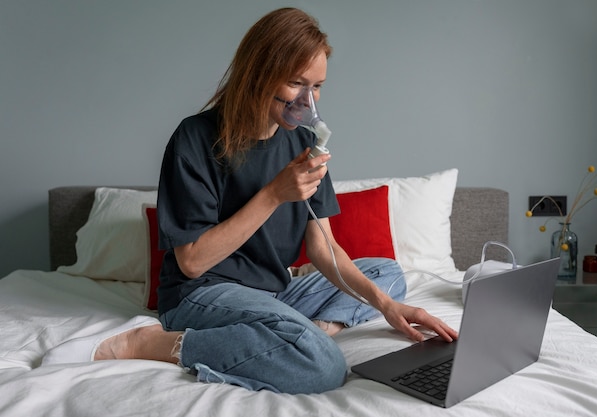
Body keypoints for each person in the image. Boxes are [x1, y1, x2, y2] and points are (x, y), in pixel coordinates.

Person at [42, 7, 458, 394]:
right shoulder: (196, 139)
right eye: (296, 83)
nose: (307, 101)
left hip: (274, 293)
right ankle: (147, 343)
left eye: (317, 87)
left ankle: (302, 328)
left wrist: (387, 307)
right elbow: (192, 261)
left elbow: (323, 248)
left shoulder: (303, 142)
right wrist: (275, 194)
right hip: (202, 293)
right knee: (325, 365)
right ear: (258, 74)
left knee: (386, 275)